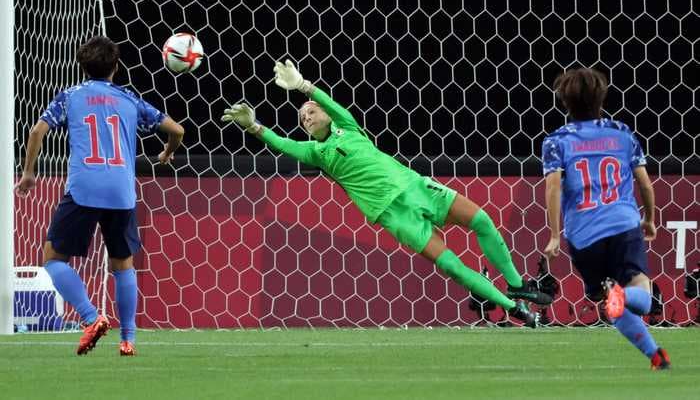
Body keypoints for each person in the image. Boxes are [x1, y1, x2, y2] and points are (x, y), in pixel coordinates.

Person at [222, 60, 552, 327]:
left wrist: (304, 87)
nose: (307, 117)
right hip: (392, 214)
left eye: (311, 111)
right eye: (302, 117)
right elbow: (285, 144)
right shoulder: (316, 153)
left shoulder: (349, 128)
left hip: (415, 186)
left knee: (481, 220)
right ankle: (514, 308)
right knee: (451, 265)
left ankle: (516, 283)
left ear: (326, 116)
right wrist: (254, 126)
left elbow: (334, 106)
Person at [15, 36, 185, 356]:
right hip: (121, 191)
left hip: (84, 189)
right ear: (116, 66)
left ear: (82, 65)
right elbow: (177, 130)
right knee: (123, 264)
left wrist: (28, 173)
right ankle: (129, 339)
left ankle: (91, 318)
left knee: (52, 258)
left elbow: (37, 131)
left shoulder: (70, 96)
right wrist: (166, 152)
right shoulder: (129, 100)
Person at [542, 67, 670, 369]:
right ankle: (622, 293)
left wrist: (555, 235)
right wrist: (649, 218)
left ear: (565, 100)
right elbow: (644, 183)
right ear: (602, 96)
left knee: (613, 304)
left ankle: (656, 356)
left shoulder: (556, 140)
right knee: (641, 297)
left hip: (583, 235)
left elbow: (552, 188)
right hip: (624, 225)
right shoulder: (622, 133)